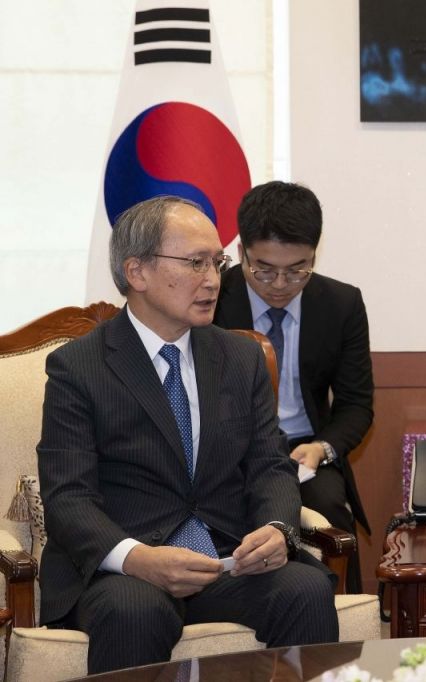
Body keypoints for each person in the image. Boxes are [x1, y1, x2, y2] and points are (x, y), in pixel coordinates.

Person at [37, 196, 339, 675]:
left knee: (305, 589)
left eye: (217, 262)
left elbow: (270, 466)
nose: (213, 279)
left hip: (227, 559)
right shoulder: (78, 367)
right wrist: (138, 558)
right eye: (196, 263)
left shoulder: (240, 358)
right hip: (129, 569)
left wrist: (277, 530)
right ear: (137, 272)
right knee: (133, 611)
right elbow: (68, 498)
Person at [213, 181, 374, 594]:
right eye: (264, 269)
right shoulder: (212, 300)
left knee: (332, 509)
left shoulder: (341, 304)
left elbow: (356, 405)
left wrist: (322, 448)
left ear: (314, 255)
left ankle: (342, 616)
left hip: (306, 450)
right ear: (242, 252)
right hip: (230, 449)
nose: (280, 283)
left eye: (297, 269)